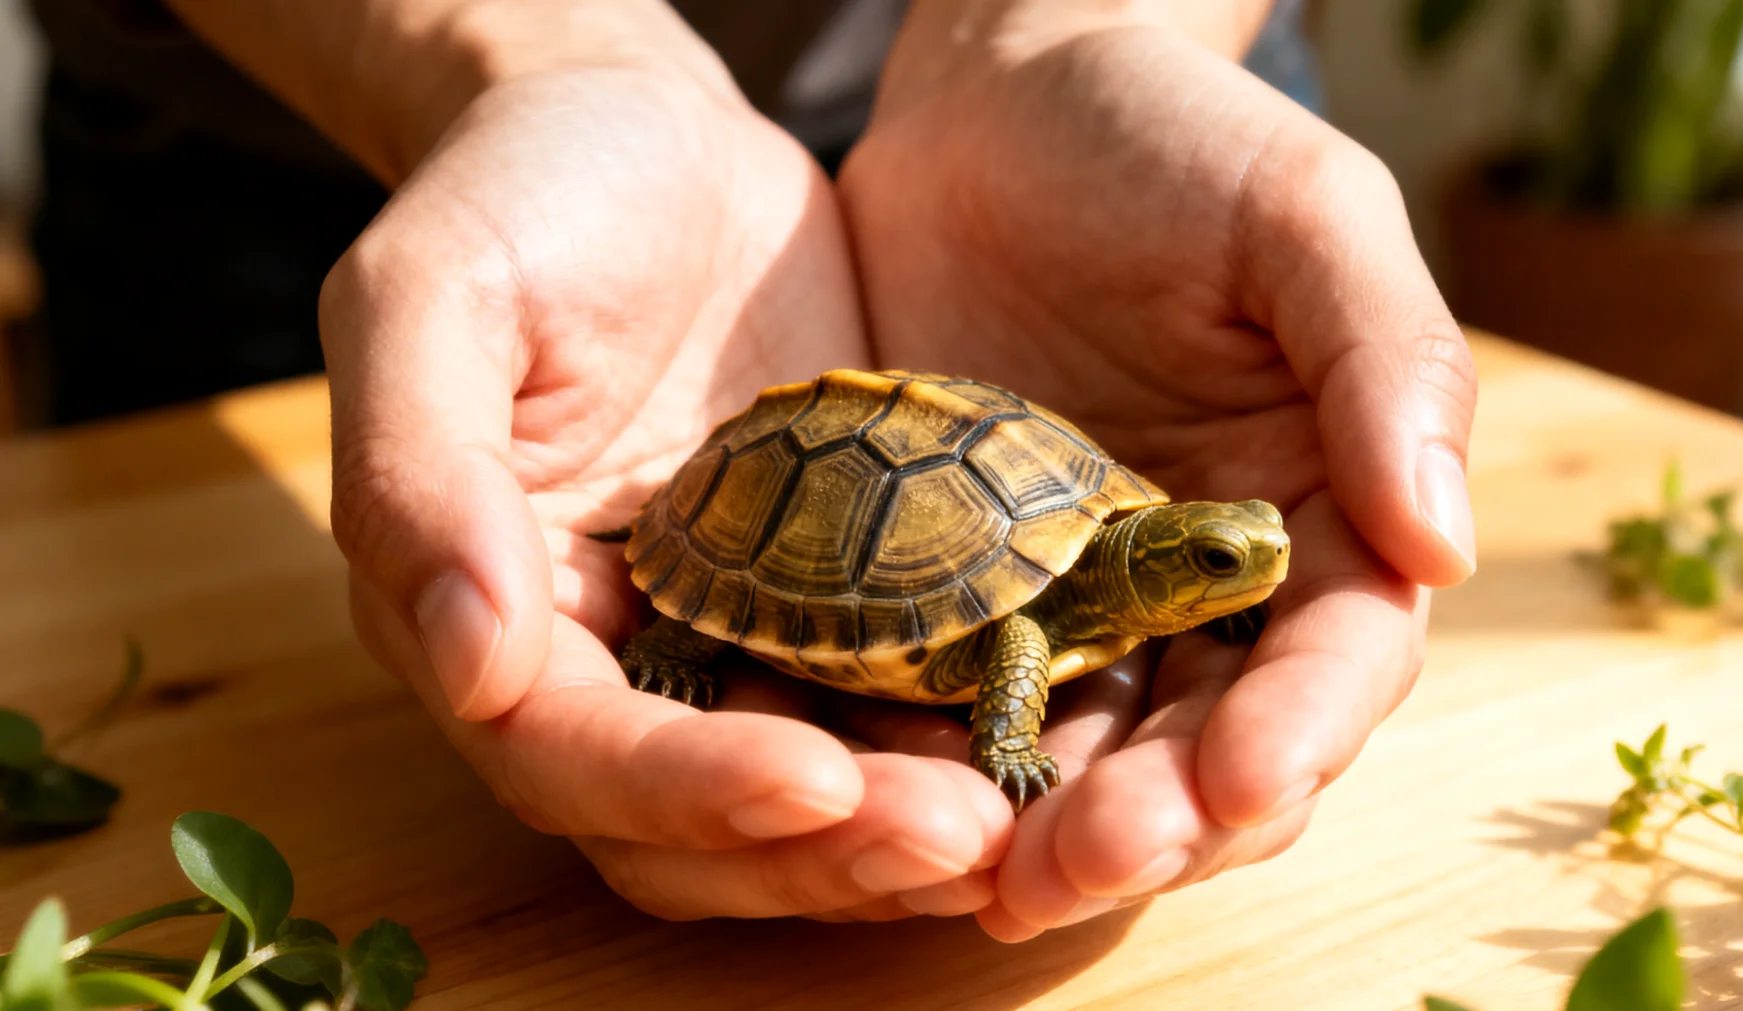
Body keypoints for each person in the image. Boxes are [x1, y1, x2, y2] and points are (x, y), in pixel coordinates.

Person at [39, 0, 1480, 940]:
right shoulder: (1041, 622)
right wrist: (538, 55)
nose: (1252, 558)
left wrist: (1053, 36)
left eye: (1225, 555)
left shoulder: (1127, 543)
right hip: (263, 120)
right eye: (1223, 563)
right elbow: (1022, 636)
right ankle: (678, 614)